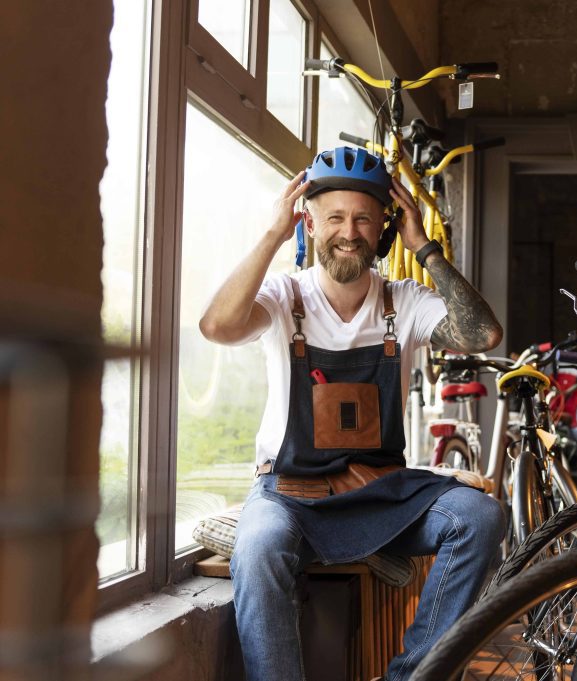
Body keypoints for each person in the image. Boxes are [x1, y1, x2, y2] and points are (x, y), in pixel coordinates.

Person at [199, 146, 506, 681]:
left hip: (381, 494)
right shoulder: (283, 296)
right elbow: (217, 327)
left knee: (481, 517)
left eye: (364, 218)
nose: (349, 231)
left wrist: (425, 246)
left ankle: (411, 675)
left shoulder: (403, 301)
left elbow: (483, 335)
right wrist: (272, 234)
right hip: (290, 493)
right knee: (258, 548)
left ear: (384, 225)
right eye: (335, 217)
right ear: (310, 220)